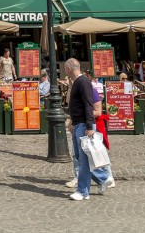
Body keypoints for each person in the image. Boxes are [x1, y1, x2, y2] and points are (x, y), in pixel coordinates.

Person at [65, 58, 111, 200]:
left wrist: (90, 126)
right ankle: (103, 178)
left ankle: (83, 191)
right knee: (81, 157)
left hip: (84, 124)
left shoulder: (83, 81)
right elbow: (75, 104)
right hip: (79, 123)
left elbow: (88, 104)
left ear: (68, 69)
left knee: (84, 159)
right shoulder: (77, 83)